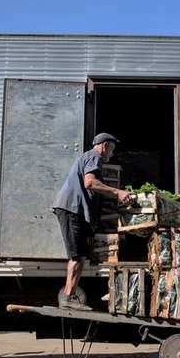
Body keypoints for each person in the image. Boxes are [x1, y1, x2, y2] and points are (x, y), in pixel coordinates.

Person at [52, 133, 134, 310]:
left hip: (74, 210)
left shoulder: (88, 158)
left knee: (79, 257)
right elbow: (90, 183)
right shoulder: (94, 156)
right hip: (71, 208)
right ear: (104, 145)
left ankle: (70, 297)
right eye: (111, 149)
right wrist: (117, 192)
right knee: (76, 257)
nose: (111, 154)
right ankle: (67, 298)